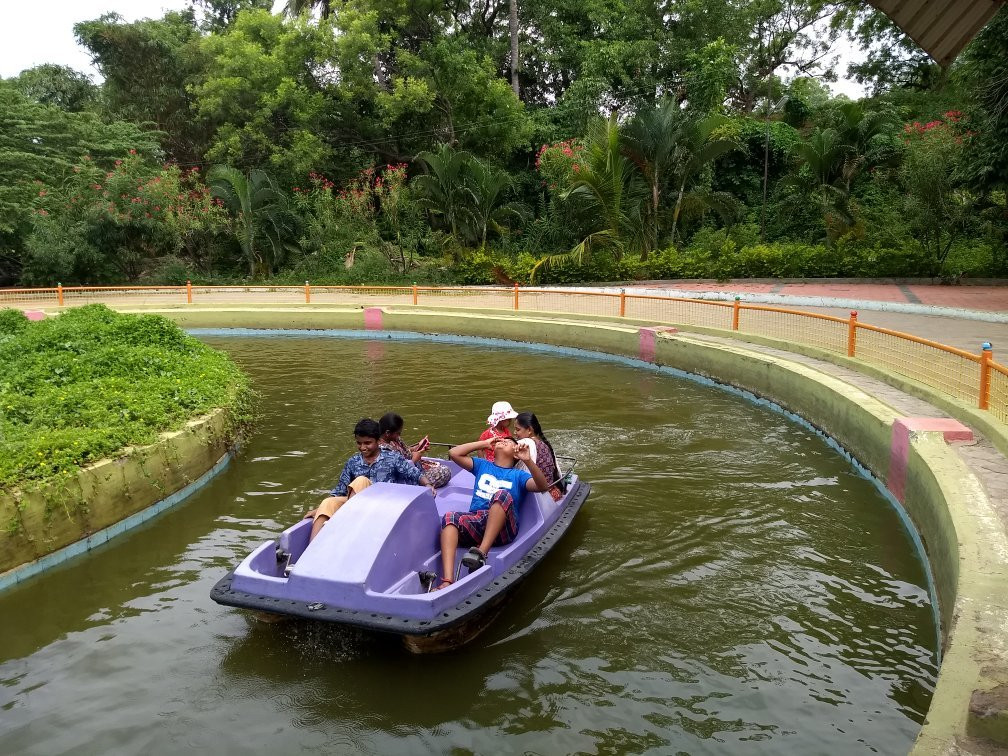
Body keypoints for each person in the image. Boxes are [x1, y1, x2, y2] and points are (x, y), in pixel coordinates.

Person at [434, 435, 549, 590]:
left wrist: (527, 460)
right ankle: (448, 580)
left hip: (504, 528)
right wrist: (484, 443)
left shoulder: (518, 475)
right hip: (478, 520)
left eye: (508, 442)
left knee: (501, 495)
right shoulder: (482, 466)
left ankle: (481, 553)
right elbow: (454, 453)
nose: (502, 441)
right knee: (450, 517)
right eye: (501, 440)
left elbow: (542, 486)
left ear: (515, 454)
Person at [304, 418, 435, 542]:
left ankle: (345, 529)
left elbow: (415, 474)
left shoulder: (392, 458)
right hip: (357, 504)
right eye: (359, 443)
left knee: (361, 480)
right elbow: (340, 490)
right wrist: (320, 508)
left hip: (383, 504)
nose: (362, 447)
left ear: (378, 441)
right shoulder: (353, 462)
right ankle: (311, 549)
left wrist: (428, 484)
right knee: (327, 502)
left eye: (367, 443)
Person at [378, 412, 451, 488]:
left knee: (440, 467)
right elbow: (398, 471)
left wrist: (418, 447)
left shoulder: (393, 439)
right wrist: (414, 460)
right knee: (446, 471)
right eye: (398, 433)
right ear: (387, 433)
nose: (399, 435)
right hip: (406, 477)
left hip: (416, 468)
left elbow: (405, 452)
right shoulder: (383, 450)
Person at [513, 411, 565, 501]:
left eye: (518, 430)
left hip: (540, 497)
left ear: (529, 430)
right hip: (553, 491)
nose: (514, 432)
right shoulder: (543, 442)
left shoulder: (524, 443)